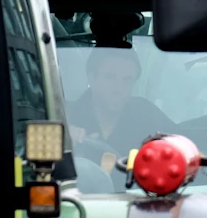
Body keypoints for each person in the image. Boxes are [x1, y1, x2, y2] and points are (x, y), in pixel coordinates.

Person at [67, 46, 174, 181]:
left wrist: (161, 146)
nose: (119, 89)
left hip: (137, 198)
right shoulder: (65, 117)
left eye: (127, 80)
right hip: (81, 199)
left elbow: (185, 147)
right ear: (91, 78)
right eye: (110, 77)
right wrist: (65, 142)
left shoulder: (147, 114)